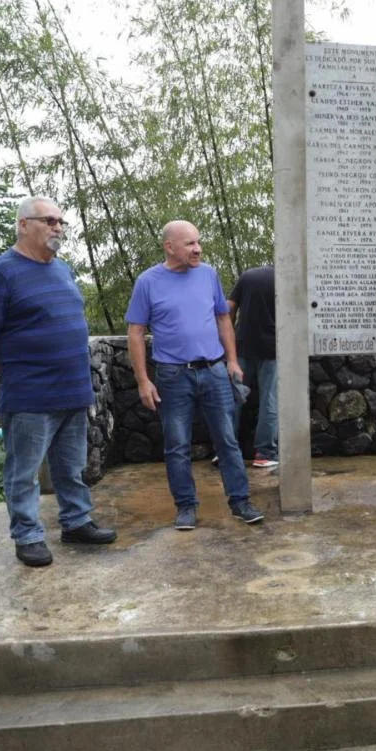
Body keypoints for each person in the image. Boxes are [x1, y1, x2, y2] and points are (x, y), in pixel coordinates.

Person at [0, 196, 117, 567]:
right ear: (23, 225)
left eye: (61, 222)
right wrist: (2, 372)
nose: (57, 228)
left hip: (73, 389)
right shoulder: (1, 272)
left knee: (71, 466)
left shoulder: (63, 269)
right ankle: (28, 536)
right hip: (29, 394)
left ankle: (76, 522)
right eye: (49, 221)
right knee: (24, 472)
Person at [126, 220, 265, 530]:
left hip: (214, 370)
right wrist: (143, 380)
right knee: (177, 445)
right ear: (169, 247)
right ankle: (186, 506)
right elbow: (135, 332)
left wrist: (232, 360)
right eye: (189, 243)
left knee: (227, 440)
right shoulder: (148, 282)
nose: (198, 249)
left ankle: (240, 501)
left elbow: (223, 318)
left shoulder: (208, 274)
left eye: (198, 242)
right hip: (173, 375)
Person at [227, 263, 279, 470]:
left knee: (233, 399)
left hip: (242, 346)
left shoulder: (248, 276)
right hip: (273, 348)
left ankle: (225, 450)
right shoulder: (286, 279)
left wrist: (228, 337)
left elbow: (229, 308)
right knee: (269, 400)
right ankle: (265, 453)